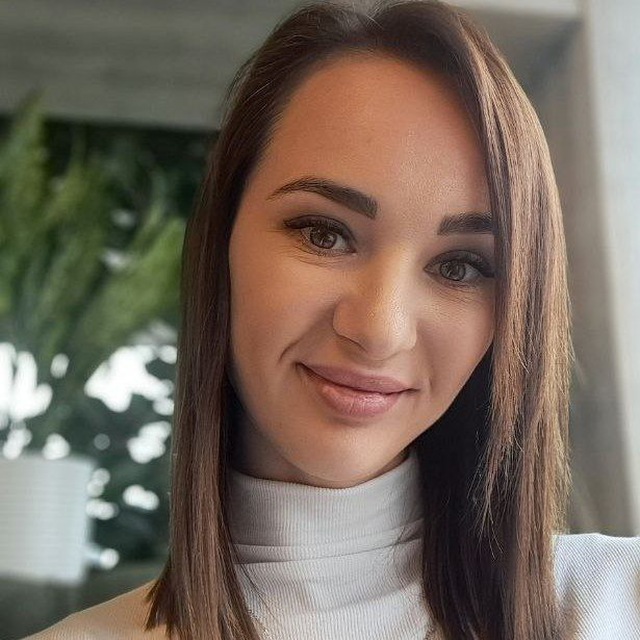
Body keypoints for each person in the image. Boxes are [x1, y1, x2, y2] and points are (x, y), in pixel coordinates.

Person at [23, 1, 640, 639]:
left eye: (459, 266)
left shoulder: (620, 601)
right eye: (324, 233)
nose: (379, 329)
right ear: (221, 237)